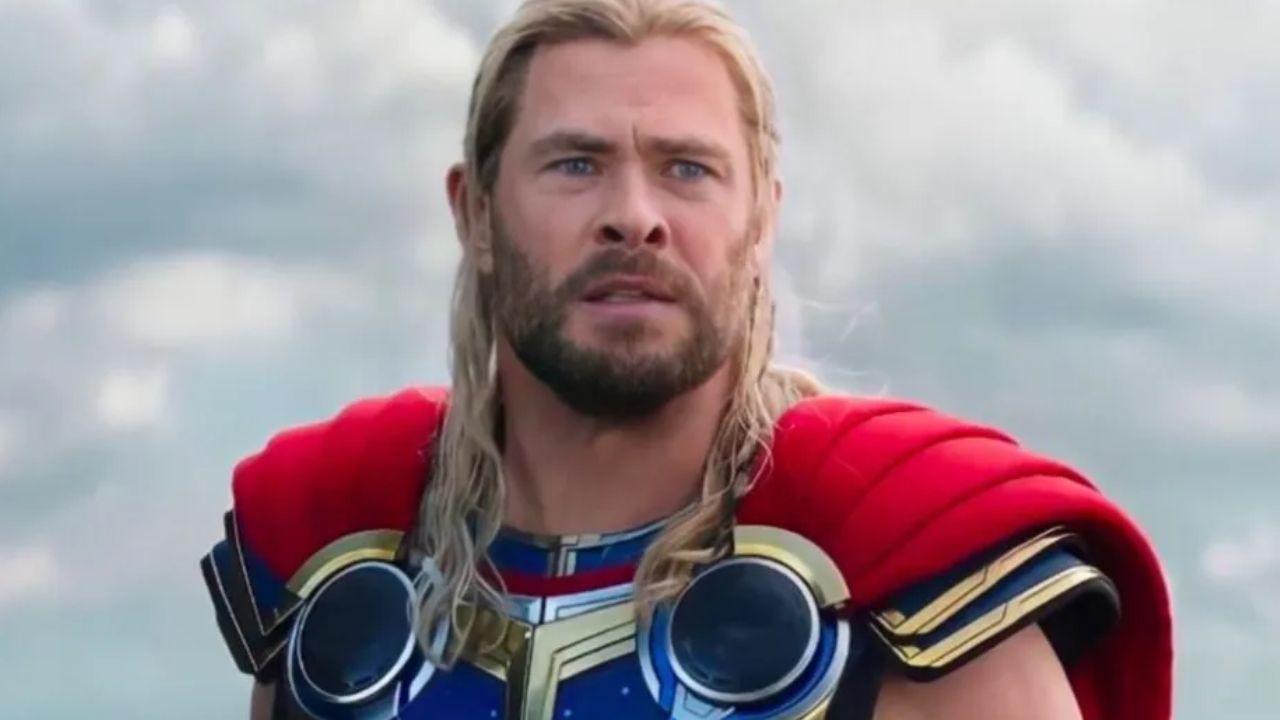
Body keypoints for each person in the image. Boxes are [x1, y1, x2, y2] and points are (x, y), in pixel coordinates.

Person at [200, 0, 1173, 718]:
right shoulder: (343, 592)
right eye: (575, 163)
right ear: (476, 214)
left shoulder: (915, 594)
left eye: (687, 169)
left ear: (762, 220)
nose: (634, 216)